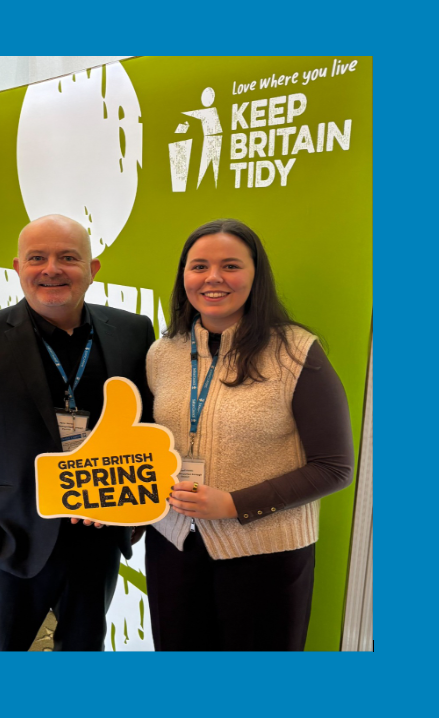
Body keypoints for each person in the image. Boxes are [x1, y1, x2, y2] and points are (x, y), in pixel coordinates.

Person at [0, 214, 154, 651]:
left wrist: (136, 506)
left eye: (68, 257)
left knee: (83, 648)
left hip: (97, 538)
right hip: (7, 538)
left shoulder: (132, 331)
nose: (52, 269)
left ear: (92, 269)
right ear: (18, 268)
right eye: (37, 258)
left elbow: (144, 422)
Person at [144, 218, 355, 651]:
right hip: (174, 546)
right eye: (198, 265)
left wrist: (235, 504)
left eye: (231, 266)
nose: (213, 278)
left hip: (265, 555)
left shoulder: (296, 352)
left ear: (256, 276)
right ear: (184, 275)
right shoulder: (162, 353)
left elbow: (334, 468)